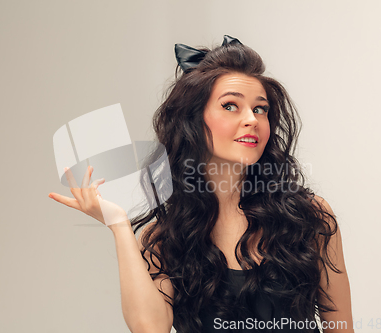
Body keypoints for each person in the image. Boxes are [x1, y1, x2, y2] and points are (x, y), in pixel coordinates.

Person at [48, 35, 354, 333]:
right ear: (194, 120)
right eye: (231, 106)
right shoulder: (165, 240)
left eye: (260, 109)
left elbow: (342, 328)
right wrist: (118, 225)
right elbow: (149, 328)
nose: (251, 119)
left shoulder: (307, 217)